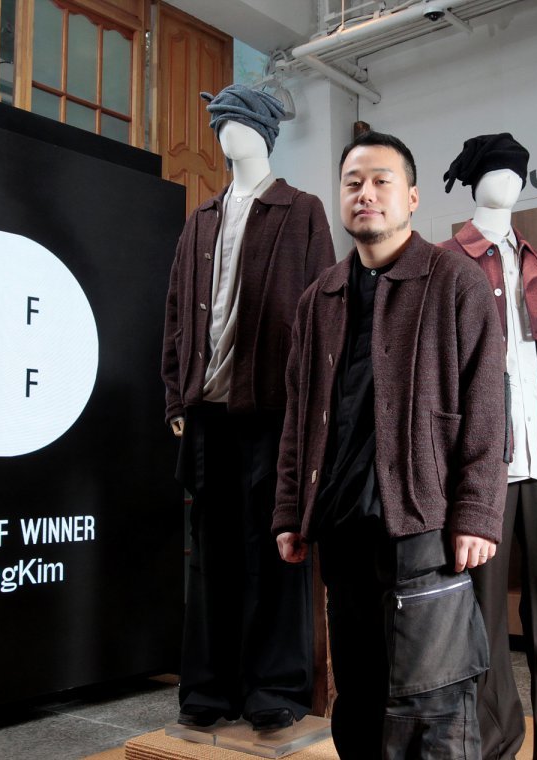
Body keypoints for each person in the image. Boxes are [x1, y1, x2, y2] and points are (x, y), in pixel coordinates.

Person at [272, 130, 507, 758]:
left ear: (412, 197)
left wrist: (477, 513)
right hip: (342, 529)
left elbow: (488, 405)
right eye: (353, 183)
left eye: (381, 181)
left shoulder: (455, 281)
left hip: (423, 524)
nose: (366, 194)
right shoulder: (318, 298)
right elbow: (299, 419)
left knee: (433, 705)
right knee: (358, 699)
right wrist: (292, 510)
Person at [161, 84, 334, 732]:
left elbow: (325, 315)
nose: (223, 132)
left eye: (233, 120)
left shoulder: (302, 211)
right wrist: (176, 395)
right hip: (207, 412)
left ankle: (276, 687)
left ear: (263, 131)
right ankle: (209, 688)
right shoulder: (200, 220)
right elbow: (176, 315)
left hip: (273, 411)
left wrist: (314, 411)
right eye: (217, 123)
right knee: (211, 555)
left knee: (276, 550)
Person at [441, 133, 537, 760]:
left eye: (518, 172)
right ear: (473, 180)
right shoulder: (446, 262)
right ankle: (492, 742)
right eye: (498, 170)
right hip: (484, 464)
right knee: (481, 606)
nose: (510, 182)